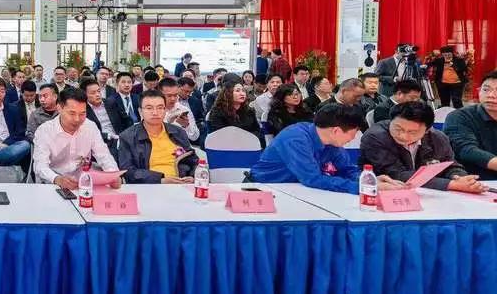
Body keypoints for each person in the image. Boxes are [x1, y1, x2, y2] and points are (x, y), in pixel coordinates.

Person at [250, 104, 405, 193]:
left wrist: (369, 179)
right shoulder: (295, 138)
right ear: (336, 130)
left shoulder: (332, 142)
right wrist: (364, 187)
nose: (353, 138)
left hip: (300, 190)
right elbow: (313, 179)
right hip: (264, 189)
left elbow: (346, 169)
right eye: (353, 133)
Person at [360, 101, 485, 194]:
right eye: (398, 129)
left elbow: (450, 165)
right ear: (390, 121)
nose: (403, 136)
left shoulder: (437, 138)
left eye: (412, 132)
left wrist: (460, 177)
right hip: (388, 193)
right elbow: (396, 174)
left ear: (427, 130)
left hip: (430, 194)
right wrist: (452, 184)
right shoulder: (375, 137)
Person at [32, 87, 120, 188]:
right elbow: (40, 165)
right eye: (72, 113)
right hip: (53, 183)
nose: (77, 119)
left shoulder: (90, 126)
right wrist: (57, 179)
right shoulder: (44, 131)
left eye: (82, 113)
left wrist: (113, 174)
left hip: (83, 183)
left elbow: (104, 155)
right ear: (59, 108)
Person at [118, 89, 199, 184]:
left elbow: (193, 160)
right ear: (140, 111)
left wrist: (193, 177)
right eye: (149, 108)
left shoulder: (178, 132)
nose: (155, 112)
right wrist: (160, 180)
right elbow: (128, 171)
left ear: (165, 110)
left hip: (181, 184)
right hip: (149, 186)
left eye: (160, 108)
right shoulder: (128, 137)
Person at [444, 70, 497, 179]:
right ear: (479, 91)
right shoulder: (459, 117)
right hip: (475, 181)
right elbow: (467, 150)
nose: (491, 95)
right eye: (486, 89)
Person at [206, 81, 264, 145]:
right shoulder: (217, 112)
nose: (242, 94)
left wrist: (247, 138)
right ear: (228, 93)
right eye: (237, 91)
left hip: (248, 144)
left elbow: (257, 131)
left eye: (243, 91)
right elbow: (218, 135)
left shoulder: (250, 111)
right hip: (225, 146)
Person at [159, 77, 199, 142]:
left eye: (175, 95)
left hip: (181, 146)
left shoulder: (184, 109)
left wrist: (186, 126)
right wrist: (168, 121)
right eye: (169, 96)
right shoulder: (153, 111)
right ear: (160, 94)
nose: (173, 99)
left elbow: (195, 137)